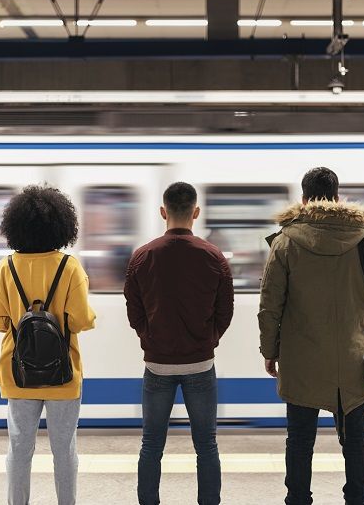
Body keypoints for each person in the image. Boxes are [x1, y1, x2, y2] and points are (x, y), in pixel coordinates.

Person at [258, 167, 364, 505]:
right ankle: (358, 498)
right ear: (337, 197)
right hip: (351, 359)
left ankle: (298, 499)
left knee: (300, 440)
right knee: (356, 439)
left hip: (302, 360)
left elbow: (269, 306)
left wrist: (269, 350)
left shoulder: (286, 242)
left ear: (304, 199)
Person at [0, 185, 96, 505]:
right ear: (62, 225)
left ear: (15, 226)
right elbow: (80, 321)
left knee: (19, 449)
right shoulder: (70, 267)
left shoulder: (6, 267)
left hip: (17, 373)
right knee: (65, 451)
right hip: (63, 374)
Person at [124, 181, 234, 505]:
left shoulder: (142, 256)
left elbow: (134, 311)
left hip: (156, 366)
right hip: (201, 364)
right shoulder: (214, 256)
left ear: (163, 211)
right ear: (195, 212)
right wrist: (208, 339)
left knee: (151, 443)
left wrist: (149, 338)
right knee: (207, 444)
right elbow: (224, 311)